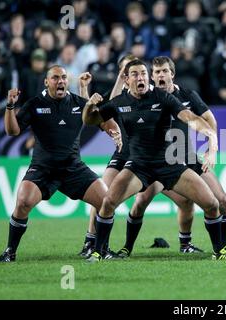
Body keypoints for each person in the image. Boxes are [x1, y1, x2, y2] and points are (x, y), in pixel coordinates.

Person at [82, 59, 226, 261]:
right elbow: (90, 120)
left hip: (170, 164)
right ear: (127, 80)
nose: (141, 78)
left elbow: (189, 117)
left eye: (144, 74)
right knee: (109, 202)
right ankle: (97, 251)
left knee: (212, 203)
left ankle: (220, 251)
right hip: (138, 166)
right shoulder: (119, 102)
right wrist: (89, 105)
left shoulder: (162, 97)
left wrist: (211, 138)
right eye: (136, 74)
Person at [0, 65, 119, 262]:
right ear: (46, 82)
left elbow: (103, 122)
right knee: (23, 202)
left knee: (107, 201)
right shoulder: (35, 104)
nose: (60, 81)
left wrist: (114, 132)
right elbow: (12, 131)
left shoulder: (79, 103)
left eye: (63, 78)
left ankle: (100, 248)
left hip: (73, 168)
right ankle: (10, 252)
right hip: (43, 168)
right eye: (55, 78)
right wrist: (10, 106)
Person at [79, 54, 138, 258]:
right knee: (103, 196)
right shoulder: (113, 96)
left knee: (179, 199)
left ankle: (186, 241)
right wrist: (84, 91)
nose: (130, 73)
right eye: (126, 70)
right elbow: (95, 115)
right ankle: (91, 242)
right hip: (122, 155)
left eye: (134, 69)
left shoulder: (148, 94)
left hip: (147, 158)